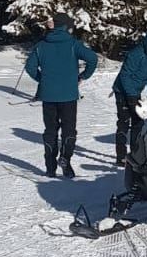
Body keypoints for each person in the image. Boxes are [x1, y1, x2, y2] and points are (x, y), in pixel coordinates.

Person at [25, 13, 98, 178]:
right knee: (69, 130)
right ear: (66, 27)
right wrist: (82, 76)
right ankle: (65, 159)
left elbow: (30, 67)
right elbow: (93, 59)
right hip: (69, 96)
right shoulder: (73, 44)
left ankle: (50, 167)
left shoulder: (41, 45)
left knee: (50, 131)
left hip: (48, 96)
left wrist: (42, 79)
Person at [111, 28, 147, 165]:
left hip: (135, 91)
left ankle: (135, 153)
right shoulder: (135, 54)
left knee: (139, 122)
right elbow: (125, 76)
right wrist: (131, 96)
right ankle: (121, 156)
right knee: (124, 122)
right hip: (123, 90)